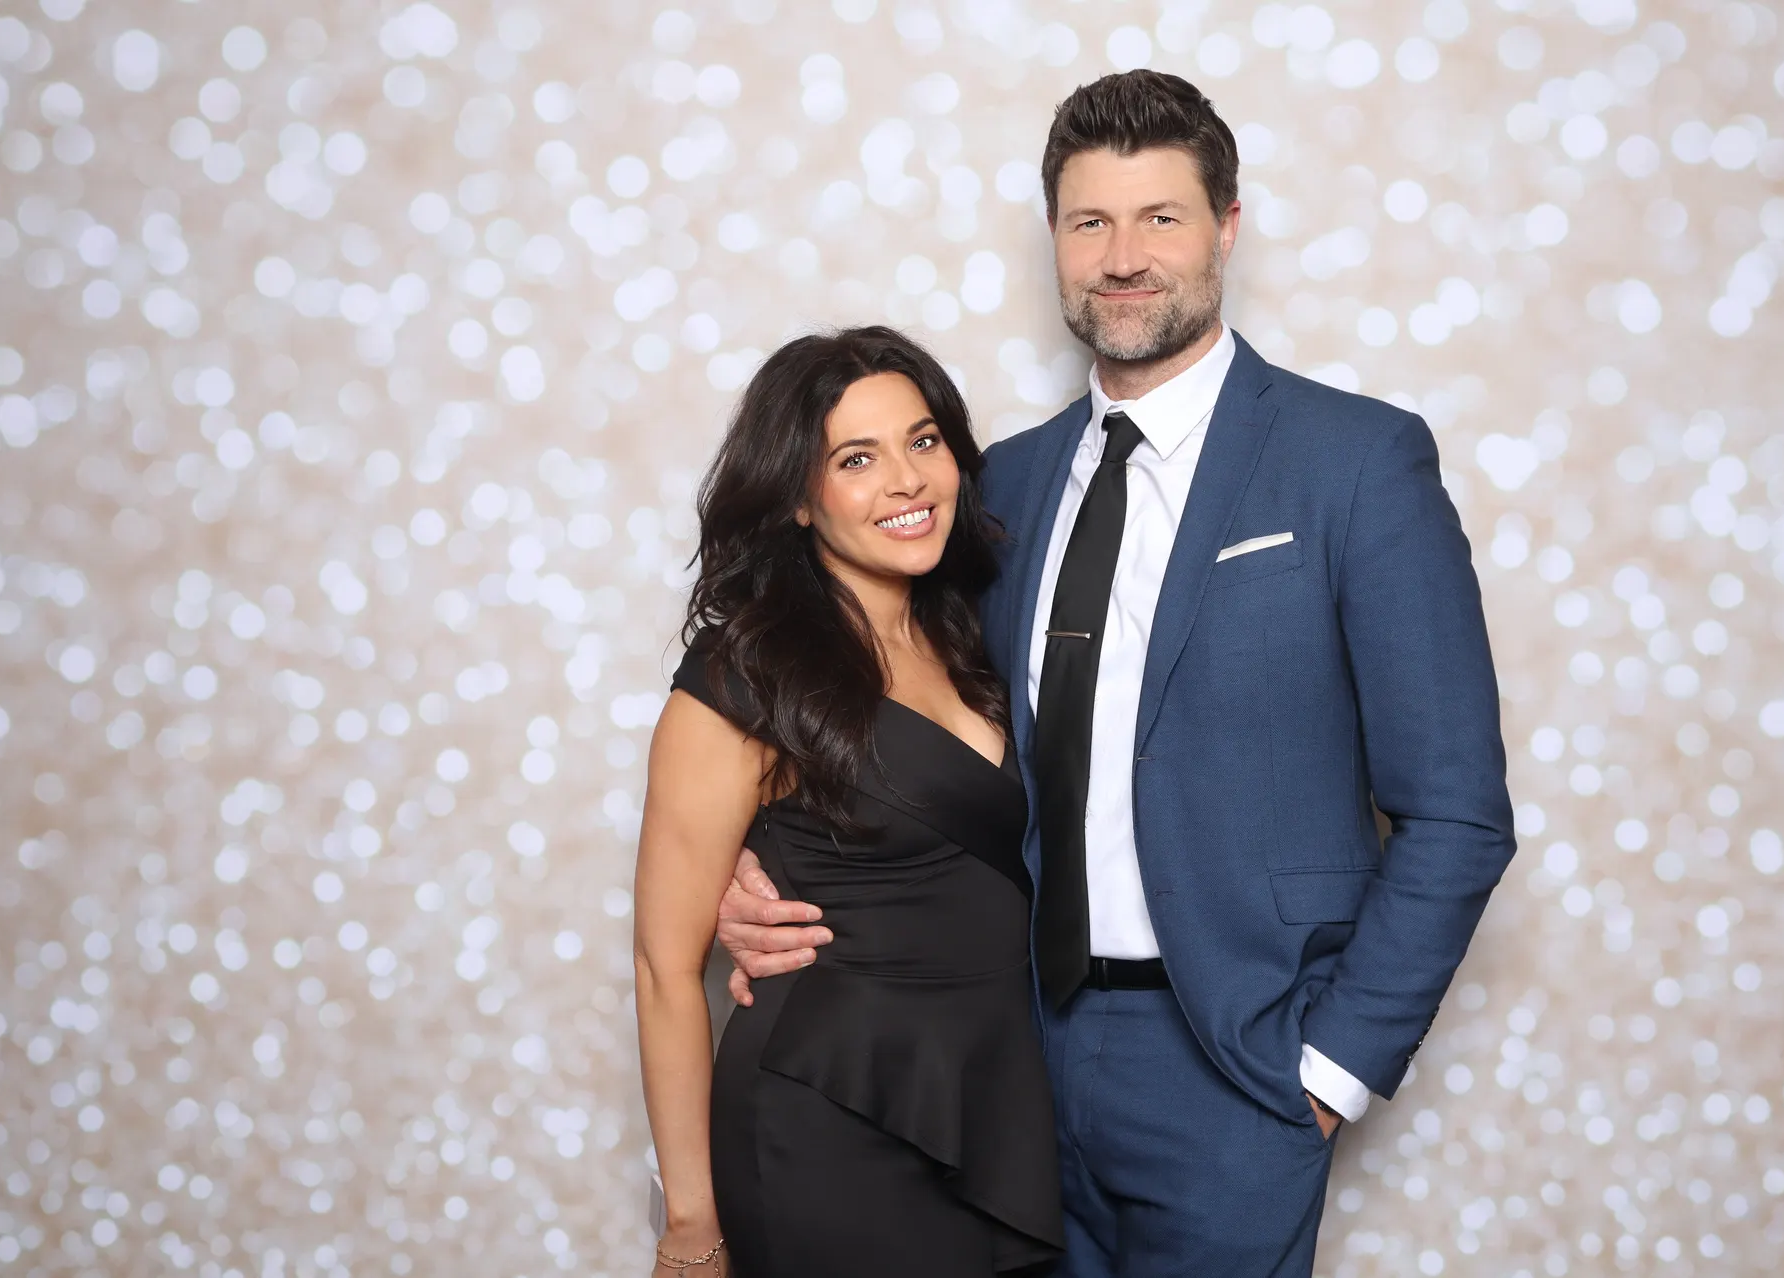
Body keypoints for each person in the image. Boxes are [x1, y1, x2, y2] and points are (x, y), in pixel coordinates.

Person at [717, 71, 1516, 1276]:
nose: (1124, 257)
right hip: (1011, 1057)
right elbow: (887, 707)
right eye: (1091, 221)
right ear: (1053, 236)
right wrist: (751, 858)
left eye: (1161, 218)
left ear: (1227, 227)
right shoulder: (1002, 486)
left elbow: (1457, 812)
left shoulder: (1354, 464)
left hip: (1238, 1069)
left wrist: (1328, 1071)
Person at [632, 326, 1064, 1277]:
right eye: (856, 460)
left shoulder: (971, 633)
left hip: (990, 1109)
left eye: (923, 441)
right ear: (797, 496)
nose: (906, 482)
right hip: (822, 1119)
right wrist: (691, 1229)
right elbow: (666, 969)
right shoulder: (741, 677)